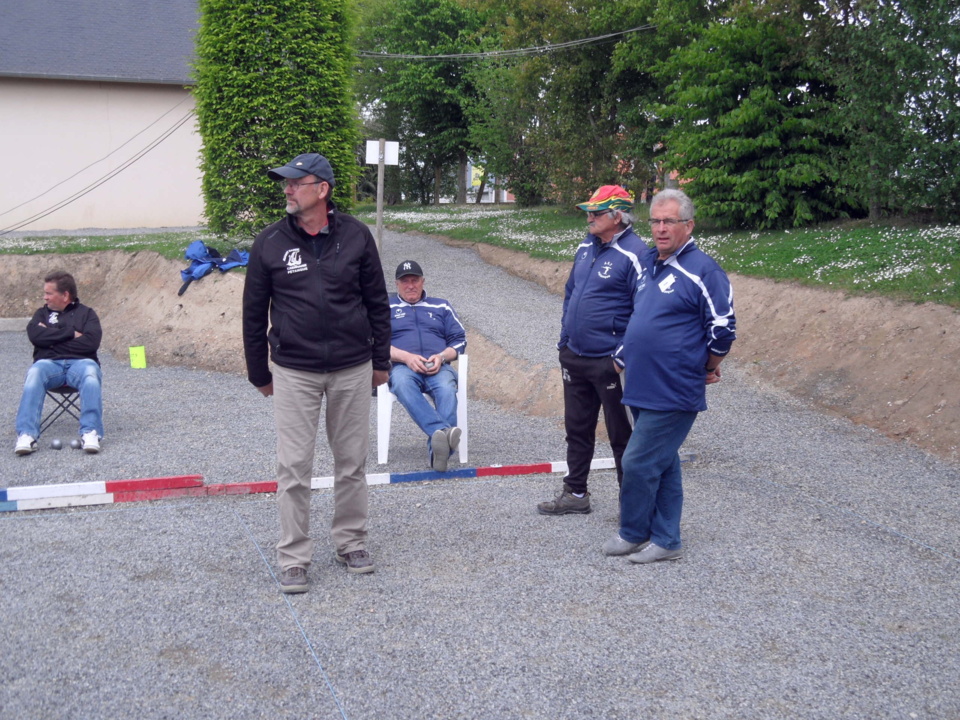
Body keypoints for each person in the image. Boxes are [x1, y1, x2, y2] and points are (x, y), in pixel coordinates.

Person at [242, 152, 391, 593]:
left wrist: (380, 362)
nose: (286, 189)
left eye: (295, 182)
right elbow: (253, 314)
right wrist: (258, 373)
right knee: (293, 467)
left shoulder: (357, 237)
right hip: (294, 370)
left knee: (350, 464)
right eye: (285, 183)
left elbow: (377, 303)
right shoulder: (269, 242)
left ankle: (351, 542)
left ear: (322, 190)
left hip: (351, 366)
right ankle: (293, 557)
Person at [603, 188, 736, 564]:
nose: (661, 229)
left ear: (689, 225)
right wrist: (623, 354)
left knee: (638, 461)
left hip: (673, 387)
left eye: (669, 222)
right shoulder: (649, 261)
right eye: (656, 221)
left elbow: (723, 328)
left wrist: (707, 367)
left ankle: (634, 531)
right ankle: (667, 539)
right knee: (664, 460)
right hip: (641, 382)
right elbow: (643, 316)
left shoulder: (703, 270)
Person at [537, 185, 647, 516]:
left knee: (621, 435)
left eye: (597, 213)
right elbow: (571, 292)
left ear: (618, 216)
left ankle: (632, 506)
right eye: (589, 212)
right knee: (577, 427)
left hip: (609, 361)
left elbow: (645, 310)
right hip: (575, 356)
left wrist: (620, 358)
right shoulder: (587, 245)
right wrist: (564, 340)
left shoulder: (636, 253)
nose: (589, 218)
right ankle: (575, 493)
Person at [389, 260, 467, 472]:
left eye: (415, 280)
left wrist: (442, 356)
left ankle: (437, 453)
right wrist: (405, 357)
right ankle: (441, 432)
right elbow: (373, 342)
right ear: (397, 284)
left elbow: (460, 341)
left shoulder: (441, 306)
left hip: (438, 366)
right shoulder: (385, 307)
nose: (410, 285)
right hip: (403, 366)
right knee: (402, 384)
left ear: (423, 282)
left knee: (447, 388)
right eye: (405, 281)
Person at [15, 271, 104, 455]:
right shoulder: (41, 314)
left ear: (65, 295)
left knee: (91, 374)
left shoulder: (87, 314)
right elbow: (35, 336)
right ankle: (27, 435)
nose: (44, 297)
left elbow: (91, 343)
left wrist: (51, 340)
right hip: (48, 365)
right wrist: (71, 333)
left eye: (49, 293)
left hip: (81, 364)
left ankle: (90, 432)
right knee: (34, 373)